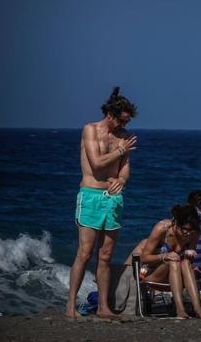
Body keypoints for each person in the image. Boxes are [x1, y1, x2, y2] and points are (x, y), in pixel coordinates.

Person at [65, 87, 138, 318]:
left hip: (113, 200)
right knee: (84, 253)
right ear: (110, 115)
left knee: (105, 255)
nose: (123, 126)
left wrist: (122, 181)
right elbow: (96, 164)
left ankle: (104, 307)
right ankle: (70, 306)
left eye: (127, 121)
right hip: (91, 196)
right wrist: (119, 150)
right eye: (121, 121)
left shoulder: (124, 138)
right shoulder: (90, 130)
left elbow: (125, 168)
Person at [134, 205, 201, 318]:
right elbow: (144, 258)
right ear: (176, 223)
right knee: (173, 261)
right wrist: (165, 256)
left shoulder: (194, 233)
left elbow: (188, 262)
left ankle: (197, 308)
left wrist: (190, 254)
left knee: (185, 263)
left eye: (191, 230)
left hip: (176, 278)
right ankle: (180, 309)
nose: (188, 233)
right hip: (151, 274)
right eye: (184, 230)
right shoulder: (162, 229)